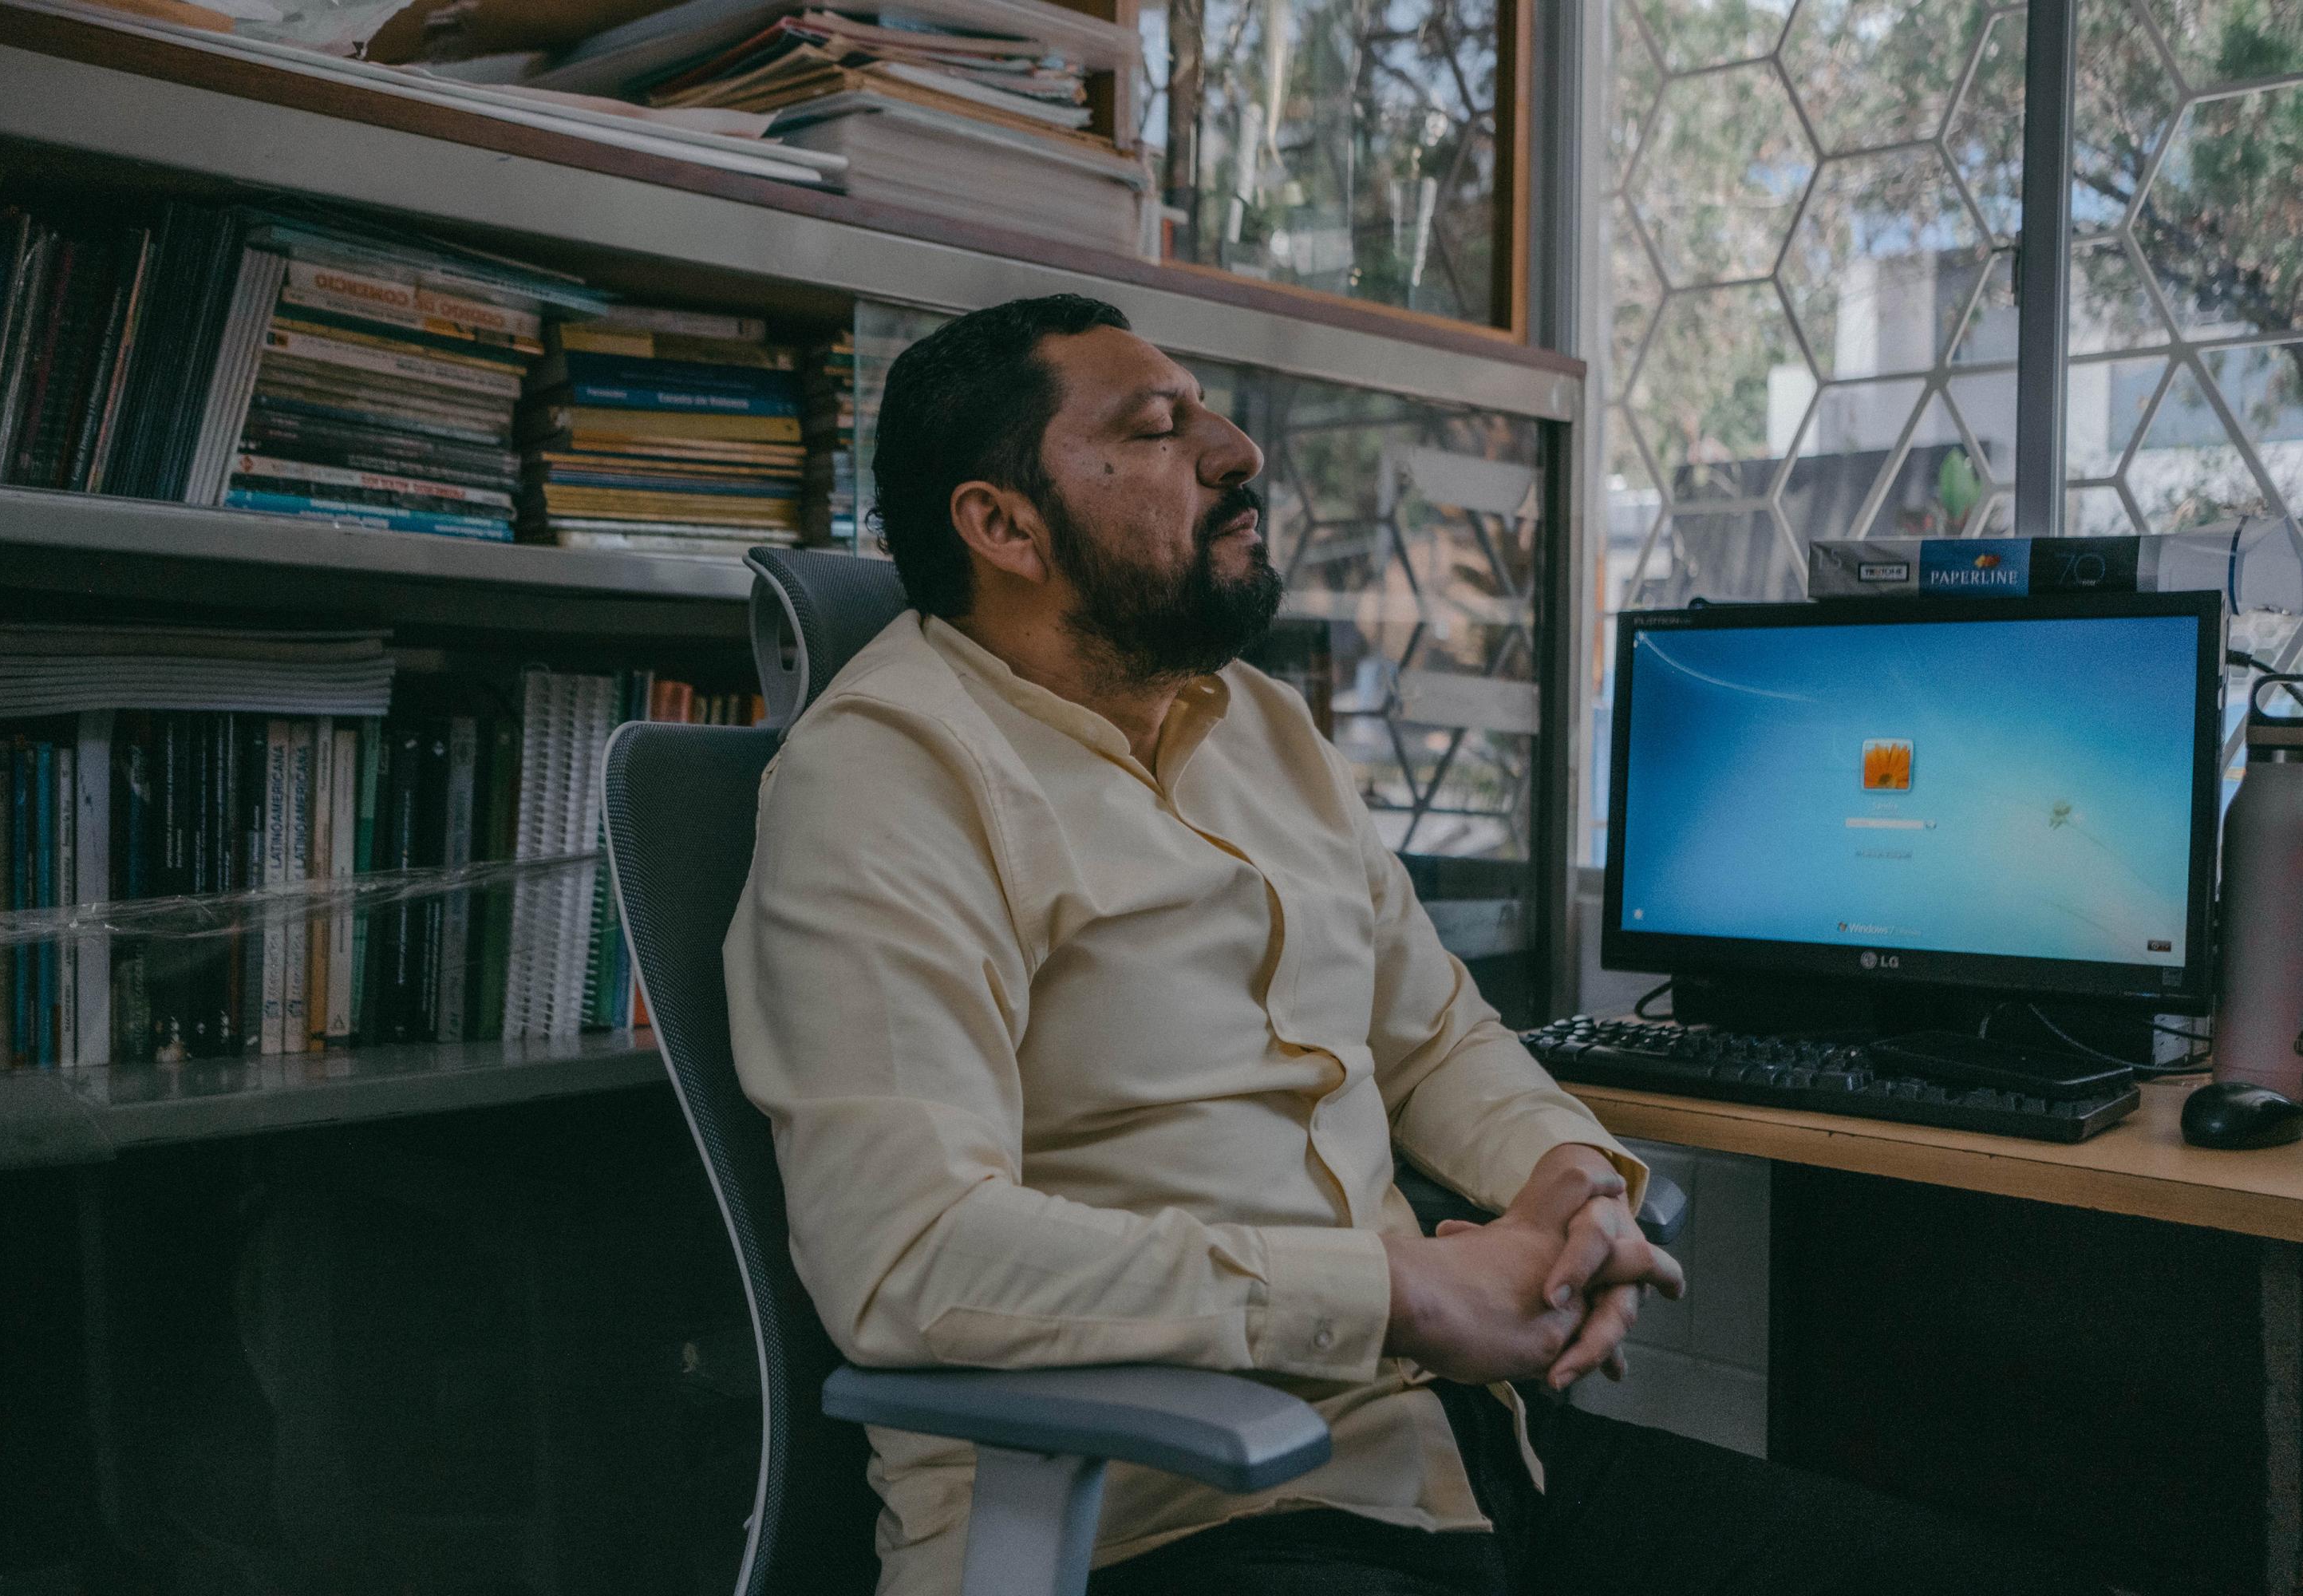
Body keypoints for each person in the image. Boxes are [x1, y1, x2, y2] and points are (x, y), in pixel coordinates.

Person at [724, 295, 2100, 1595]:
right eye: (1155, 431)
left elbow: (1434, 1034)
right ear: (1002, 524)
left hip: (1471, 1463)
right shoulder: (888, 781)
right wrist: (1394, 1291)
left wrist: (1571, 1180)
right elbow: (911, 1257)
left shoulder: (1259, 727)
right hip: (1174, 1526)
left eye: (1207, 413)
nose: (1238, 452)